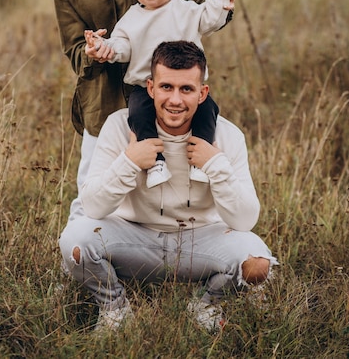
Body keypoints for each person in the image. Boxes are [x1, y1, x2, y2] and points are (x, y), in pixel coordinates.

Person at [23, 0, 237, 218]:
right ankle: (81, 258)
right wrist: (94, 51)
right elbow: (74, 50)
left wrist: (219, 4)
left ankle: (166, 256)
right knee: (93, 191)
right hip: (103, 99)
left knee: (173, 185)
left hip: (170, 92)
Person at [59, 41, 278, 334]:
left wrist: (214, 164)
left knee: (257, 263)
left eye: (186, 89)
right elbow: (94, 207)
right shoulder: (118, 127)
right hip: (133, 238)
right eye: (166, 87)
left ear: (203, 93)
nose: (175, 100)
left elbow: (245, 220)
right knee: (75, 241)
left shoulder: (227, 136)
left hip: (197, 241)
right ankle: (115, 309)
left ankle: (206, 304)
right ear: (150, 88)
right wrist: (130, 161)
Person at [84, 0, 240, 188]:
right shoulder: (132, 18)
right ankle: (156, 163)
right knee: (138, 114)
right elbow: (121, 46)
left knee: (208, 110)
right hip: (147, 88)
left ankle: (201, 160)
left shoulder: (186, 10)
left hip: (187, 86)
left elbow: (210, 18)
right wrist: (103, 47)